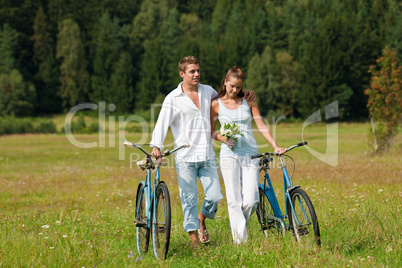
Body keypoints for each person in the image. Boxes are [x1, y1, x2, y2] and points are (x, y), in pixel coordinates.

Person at [150, 56, 255, 247]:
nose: (197, 74)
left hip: (207, 155)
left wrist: (244, 94)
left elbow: (226, 98)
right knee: (189, 199)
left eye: (198, 70)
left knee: (215, 196)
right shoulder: (173, 98)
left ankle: (201, 220)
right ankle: (194, 241)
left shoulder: (208, 91)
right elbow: (162, 123)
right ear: (182, 74)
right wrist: (156, 146)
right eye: (192, 71)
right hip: (185, 157)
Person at [210, 66, 286, 244]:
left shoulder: (248, 100)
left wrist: (275, 145)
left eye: (238, 87)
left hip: (251, 154)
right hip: (229, 155)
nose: (234, 90)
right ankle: (240, 243)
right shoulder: (215, 104)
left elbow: (260, 124)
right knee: (234, 200)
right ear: (225, 83)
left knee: (251, 200)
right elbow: (211, 132)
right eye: (231, 86)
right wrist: (223, 138)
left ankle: (239, 230)